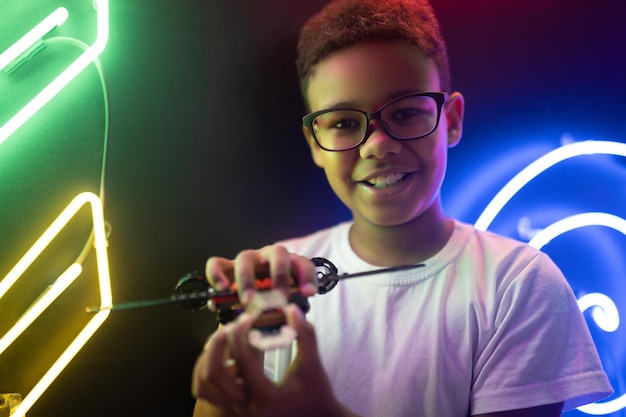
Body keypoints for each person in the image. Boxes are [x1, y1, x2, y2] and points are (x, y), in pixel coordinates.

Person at [190, 0, 613, 416]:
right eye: (342, 122)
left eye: (407, 112)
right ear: (314, 144)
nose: (376, 144)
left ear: (451, 120)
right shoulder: (275, 280)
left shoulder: (518, 285)